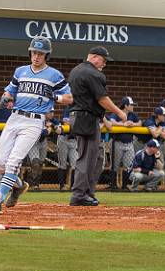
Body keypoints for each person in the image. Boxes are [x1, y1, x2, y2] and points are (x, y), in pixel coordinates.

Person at [0, 36, 73, 214]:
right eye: (34, 52)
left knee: (14, 161)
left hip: (33, 121)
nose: (37, 56)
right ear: (30, 53)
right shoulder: (20, 71)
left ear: (47, 55)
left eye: (41, 53)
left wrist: (55, 97)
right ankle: (19, 186)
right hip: (14, 118)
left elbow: (70, 98)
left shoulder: (54, 75)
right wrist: (6, 97)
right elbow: (10, 90)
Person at [68, 46, 125, 206]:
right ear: (94, 57)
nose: (104, 64)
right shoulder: (92, 73)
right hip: (84, 118)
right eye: (103, 60)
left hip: (82, 117)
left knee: (97, 157)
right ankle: (79, 195)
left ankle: (88, 192)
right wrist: (119, 112)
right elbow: (102, 99)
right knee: (86, 158)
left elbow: (90, 99)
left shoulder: (76, 70)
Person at [107, 96, 140, 191]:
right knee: (115, 165)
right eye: (131, 105)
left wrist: (133, 124)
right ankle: (113, 185)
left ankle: (124, 186)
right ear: (125, 105)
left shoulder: (132, 115)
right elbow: (111, 121)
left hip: (129, 143)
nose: (133, 106)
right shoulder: (117, 112)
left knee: (128, 165)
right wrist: (123, 124)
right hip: (117, 142)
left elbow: (140, 122)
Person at [26, 110, 58, 191]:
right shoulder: (38, 119)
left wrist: (52, 125)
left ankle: (36, 184)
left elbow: (59, 126)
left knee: (40, 164)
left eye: (52, 112)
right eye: (50, 112)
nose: (52, 114)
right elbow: (44, 133)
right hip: (34, 142)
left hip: (43, 142)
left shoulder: (52, 120)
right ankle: (30, 184)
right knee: (35, 163)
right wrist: (50, 127)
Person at [56, 106, 78, 191]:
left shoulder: (82, 108)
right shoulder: (69, 108)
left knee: (75, 163)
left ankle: (73, 186)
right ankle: (62, 186)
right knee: (62, 163)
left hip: (74, 140)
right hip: (64, 138)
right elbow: (65, 121)